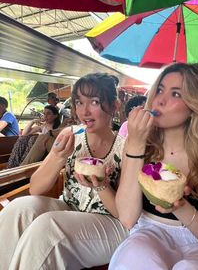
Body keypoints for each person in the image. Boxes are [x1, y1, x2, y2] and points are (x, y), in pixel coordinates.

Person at [109, 63, 198, 270]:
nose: (160, 99)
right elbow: (127, 218)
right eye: (159, 89)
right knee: (135, 256)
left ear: (194, 105)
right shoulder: (139, 146)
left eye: (176, 94)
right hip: (148, 237)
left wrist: (181, 207)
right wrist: (135, 144)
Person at [0, 73, 128, 270]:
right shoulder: (71, 136)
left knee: (48, 229)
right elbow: (35, 188)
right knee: (19, 209)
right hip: (70, 208)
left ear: (114, 105)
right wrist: (59, 157)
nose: (84, 111)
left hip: (112, 223)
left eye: (94, 101)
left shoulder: (126, 149)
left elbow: (123, 213)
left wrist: (102, 185)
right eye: (79, 102)